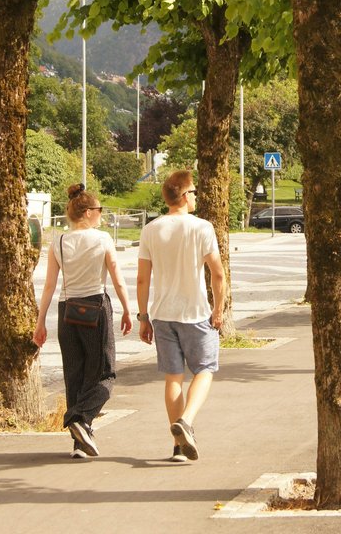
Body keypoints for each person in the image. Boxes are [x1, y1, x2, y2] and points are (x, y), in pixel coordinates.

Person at [33, 183, 132, 459]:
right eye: (99, 210)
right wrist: (128, 310)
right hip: (95, 307)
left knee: (74, 375)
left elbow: (50, 285)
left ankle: (80, 442)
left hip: (68, 311)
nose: (101, 214)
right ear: (87, 212)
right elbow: (117, 279)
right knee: (104, 373)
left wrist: (40, 322)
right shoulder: (102, 239)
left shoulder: (59, 241)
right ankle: (80, 416)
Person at [137, 170, 225, 462]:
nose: (196, 196)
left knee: (173, 377)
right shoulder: (202, 228)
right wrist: (218, 309)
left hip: (163, 314)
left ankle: (177, 448)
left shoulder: (151, 229)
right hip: (195, 312)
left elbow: (142, 279)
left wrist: (143, 316)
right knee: (204, 369)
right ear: (185, 196)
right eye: (194, 192)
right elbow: (217, 274)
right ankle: (186, 421)